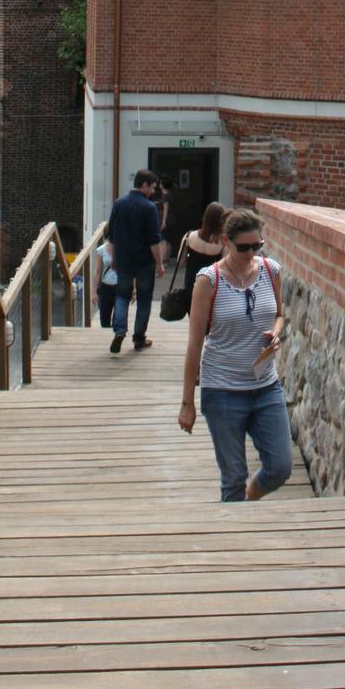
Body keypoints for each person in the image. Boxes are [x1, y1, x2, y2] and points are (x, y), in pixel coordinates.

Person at [178, 209, 293, 501]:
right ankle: (235, 541)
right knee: (232, 480)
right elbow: (194, 345)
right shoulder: (209, 280)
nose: (251, 252)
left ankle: (253, 494)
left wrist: (276, 332)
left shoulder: (271, 271)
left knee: (280, 467)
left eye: (257, 245)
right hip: (223, 390)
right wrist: (187, 403)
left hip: (265, 387)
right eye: (243, 247)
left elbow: (280, 315)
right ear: (226, 242)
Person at [107, 169, 164, 353]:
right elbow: (154, 241)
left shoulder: (119, 204)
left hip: (123, 258)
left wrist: (114, 259)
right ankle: (139, 338)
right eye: (152, 187)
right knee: (144, 299)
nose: (153, 191)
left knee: (122, 295)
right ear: (144, 185)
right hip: (144, 261)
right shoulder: (149, 208)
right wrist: (159, 263)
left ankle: (119, 331)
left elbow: (112, 236)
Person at [180, 201, 227, 304]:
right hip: (212, 284)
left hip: (191, 283)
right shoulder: (223, 243)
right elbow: (225, 268)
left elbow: (181, 263)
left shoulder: (189, 236)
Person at [92, 223, 117, 329]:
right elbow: (97, 272)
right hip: (105, 288)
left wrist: (133, 289)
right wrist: (93, 292)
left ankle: (117, 339)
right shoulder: (101, 250)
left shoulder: (125, 249)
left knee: (119, 320)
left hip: (120, 287)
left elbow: (131, 269)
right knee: (104, 321)